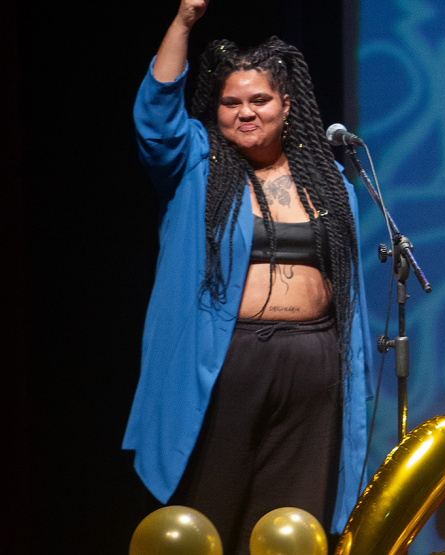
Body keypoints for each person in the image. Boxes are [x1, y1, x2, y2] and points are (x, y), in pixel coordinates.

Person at [121, 0, 372, 552]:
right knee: (214, 508)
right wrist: (184, 21)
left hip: (312, 364)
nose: (245, 112)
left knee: (291, 519)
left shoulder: (328, 181)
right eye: (231, 103)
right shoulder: (199, 165)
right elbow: (157, 120)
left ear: (287, 104)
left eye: (259, 99)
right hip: (230, 362)